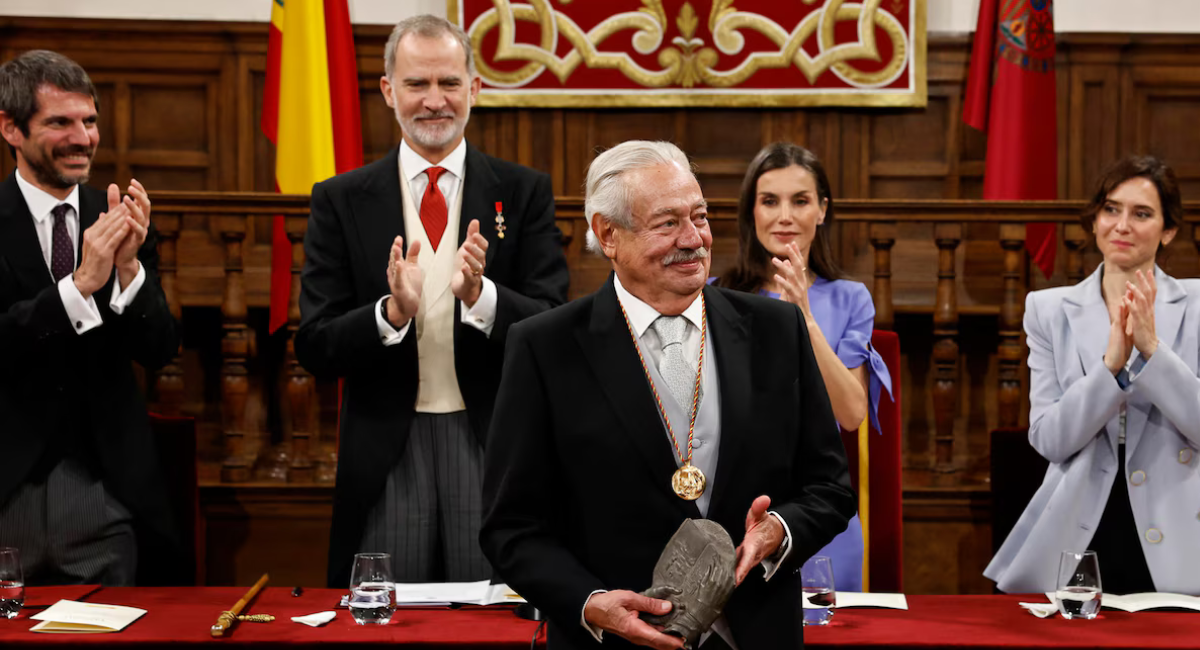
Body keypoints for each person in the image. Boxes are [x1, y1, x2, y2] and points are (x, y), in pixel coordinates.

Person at [480, 140, 855, 649]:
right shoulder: (544, 347)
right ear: (607, 234)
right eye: (667, 223)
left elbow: (830, 489)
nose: (694, 239)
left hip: (756, 634)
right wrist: (589, 601)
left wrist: (779, 532)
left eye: (699, 217)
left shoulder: (776, 330)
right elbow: (511, 529)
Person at [295, 15, 569, 588]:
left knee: (495, 619)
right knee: (387, 622)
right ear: (389, 90)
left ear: (474, 88)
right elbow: (315, 345)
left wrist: (482, 296)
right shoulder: (340, 199)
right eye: (417, 84)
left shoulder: (523, 192)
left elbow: (553, 322)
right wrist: (389, 314)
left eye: (449, 83)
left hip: (490, 441)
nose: (434, 101)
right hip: (387, 449)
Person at [0, 50, 180, 585]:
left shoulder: (118, 216)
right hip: (8, 494)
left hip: (107, 501)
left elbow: (160, 349)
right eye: (60, 122)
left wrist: (128, 271)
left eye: (89, 121)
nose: (82, 137)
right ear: (11, 128)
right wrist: (77, 288)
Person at [985, 155, 1200, 595]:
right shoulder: (1047, 310)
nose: (1122, 225)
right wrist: (1110, 370)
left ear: (1169, 230)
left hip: (1178, 517)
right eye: (1111, 209)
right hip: (1081, 520)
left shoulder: (1198, 307)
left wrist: (1152, 351)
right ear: (1096, 220)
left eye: (1141, 214)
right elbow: (1050, 440)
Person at [716, 142, 893, 591]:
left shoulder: (851, 298)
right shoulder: (716, 297)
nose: (784, 216)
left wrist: (803, 317)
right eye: (769, 201)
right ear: (750, 212)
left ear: (822, 210)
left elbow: (852, 414)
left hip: (819, 509)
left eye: (800, 201)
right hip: (733, 506)